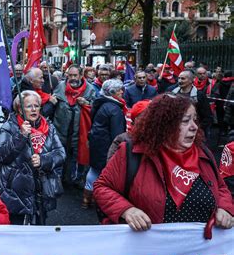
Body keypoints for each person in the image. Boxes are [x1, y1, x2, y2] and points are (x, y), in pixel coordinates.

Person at [94, 94, 233, 233]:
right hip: (149, 250)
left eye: (195, 120)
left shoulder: (204, 153)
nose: (194, 127)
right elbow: (102, 187)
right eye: (185, 121)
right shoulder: (132, 153)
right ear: (163, 124)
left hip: (197, 250)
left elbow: (221, 187)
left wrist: (225, 207)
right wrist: (127, 210)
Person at [0, 90, 65, 225]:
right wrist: (20, 136)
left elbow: (60, 153)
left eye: (36, 105)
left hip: (42, 188)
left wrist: (44, 160)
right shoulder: (9, 127)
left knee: (39, 228)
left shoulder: (49, 127)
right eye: (28, 106)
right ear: (20, 109)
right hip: (16, 190)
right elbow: (1, 156)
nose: (33, 109)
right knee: (17, 229)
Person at [53, 65, 96, 188]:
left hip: (80, 131)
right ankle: (61, 180)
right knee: (61, 156)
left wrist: (87, 104)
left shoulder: (89, 89)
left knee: (77, 157)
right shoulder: (60, 87)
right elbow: (53, 104)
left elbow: (95, 109)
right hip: (61, 129)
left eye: (75, 75)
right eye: (69, 75)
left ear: (81, 75)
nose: (72, 78)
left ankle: (76, 180)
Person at [85, 79, 127, 207]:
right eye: (119, 90)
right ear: (112, 92)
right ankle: (101, 201)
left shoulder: (101, 103)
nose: (122, 92)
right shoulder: (114, 109)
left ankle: (86, 199)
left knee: (94, 170)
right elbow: (117, 135)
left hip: (97, 143)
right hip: (106, 146)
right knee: (105, 174)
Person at [170, 70, 213, 135]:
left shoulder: (199, 96)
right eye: (179, 78)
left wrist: (197, 129)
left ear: (191, 80)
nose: (180, 81)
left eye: (183, 78)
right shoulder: (172, 93)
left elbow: (207, 117)